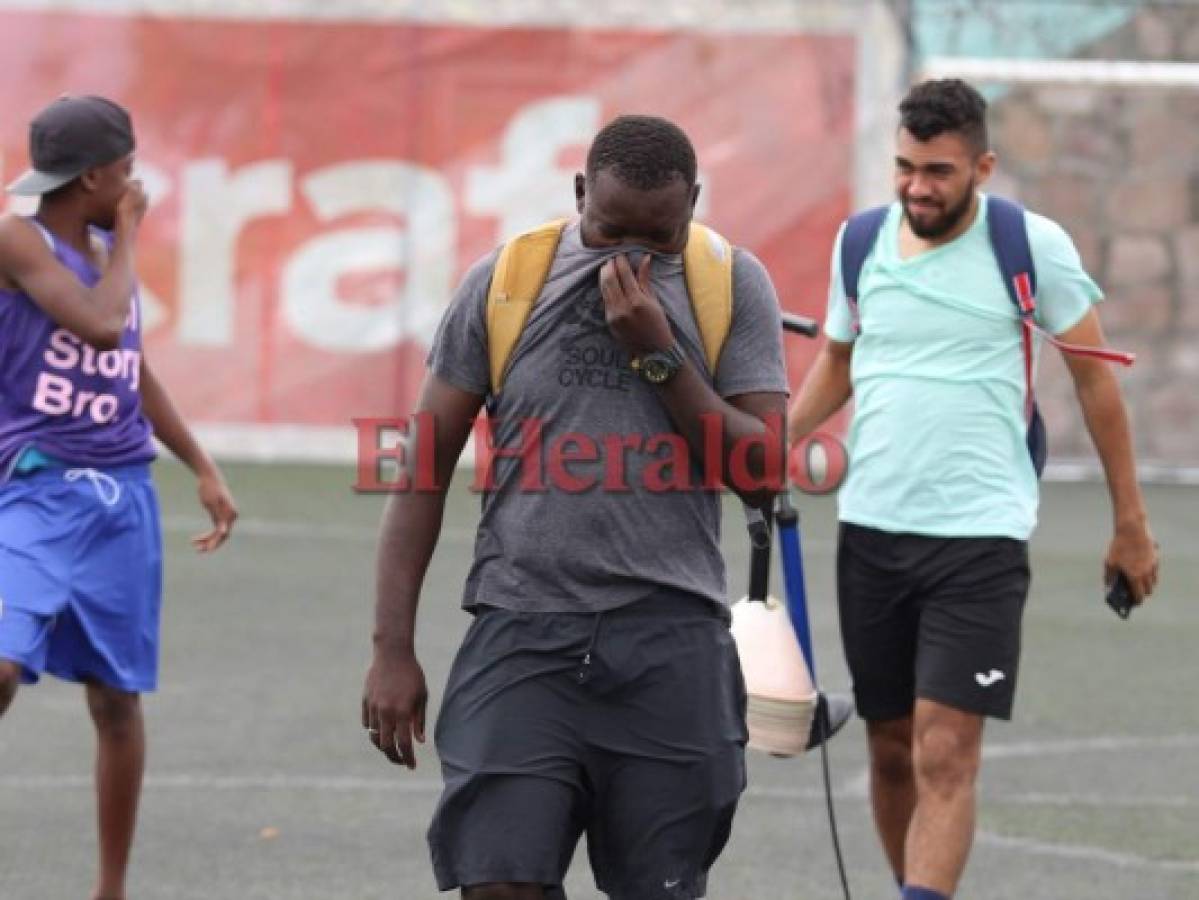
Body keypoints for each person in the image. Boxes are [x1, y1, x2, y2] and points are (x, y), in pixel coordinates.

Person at [362, 114, 788, 899]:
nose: (629, 257)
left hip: (671, 640)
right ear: (579, 191)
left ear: (692, 201)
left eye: (656, 239)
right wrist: (393, 646)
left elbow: (763, 473)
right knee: (497, 882)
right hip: (523, 635)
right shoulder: (506, 279)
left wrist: (658, 354)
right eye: (608, 230)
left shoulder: (729, 283)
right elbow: (420, 470)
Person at [786, 78, 1160, 900]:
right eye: (905, 167)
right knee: (887, 747)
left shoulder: (1030, 245)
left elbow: (1097, 386)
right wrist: (772, 443)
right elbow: (838, 362)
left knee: (944, 751)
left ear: (982, 166)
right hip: (870, 531)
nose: (917, 186)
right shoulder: (860, 244)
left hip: (979, 538)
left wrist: (1129, 522)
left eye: (939, 171)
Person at [0, 95, 238, 900]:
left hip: (122, 497)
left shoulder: (105, 249)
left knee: (116, 700)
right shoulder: (15, 238)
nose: (136, 185)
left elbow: (127, 364)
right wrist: (130, 234)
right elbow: (102, 325)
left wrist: (200, 463)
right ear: (96, 174)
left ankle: (111, 889)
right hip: (37, 487)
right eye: (127, 171)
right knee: (0, 668)